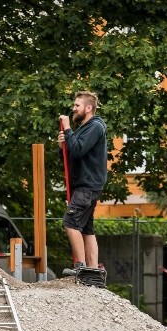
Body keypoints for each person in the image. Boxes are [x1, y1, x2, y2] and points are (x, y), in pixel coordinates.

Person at [57, 91, 108, 269]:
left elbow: (78, 151)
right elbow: (72, 153)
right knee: (86, 229)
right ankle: (93, 270)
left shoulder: (95, 126)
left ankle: (81, 267)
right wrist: (62, 145)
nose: (74, 108)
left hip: (87, 185)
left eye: (77, 105)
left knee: (70, 223)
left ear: (88, 108)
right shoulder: (84, 129)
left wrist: (68, 129)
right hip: (84, 184)